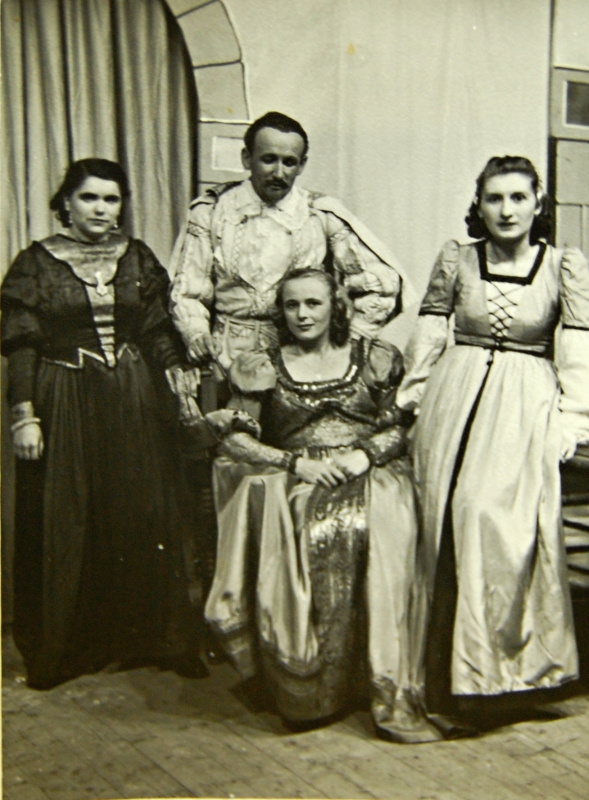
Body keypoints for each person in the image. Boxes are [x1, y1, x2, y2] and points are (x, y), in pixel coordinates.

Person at [168, 111, 416, 650]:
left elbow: (384, 283)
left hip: (299, 354)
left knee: (298, 488)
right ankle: (233, 619)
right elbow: (187, 289)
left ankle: (304, 618)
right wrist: (202, 340)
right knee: (230, 477)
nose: (278, 171)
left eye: (289, 161)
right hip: (229, 355)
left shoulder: (319, 214)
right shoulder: (212, 213)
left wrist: (348, 338)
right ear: (246, 159)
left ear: (302, 164)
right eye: (267, 159)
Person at [200, 268, 447, 743]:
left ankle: (382, 681)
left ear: (336, 306)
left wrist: (363, 456)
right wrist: (296, 463)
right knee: (308, 522)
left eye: (313, 303)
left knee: (382, 518)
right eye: (291, 305)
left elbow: (401, 426)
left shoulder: (374, 356)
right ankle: (315, 689)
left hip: (370, 467)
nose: (302, 314)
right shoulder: (262, 364)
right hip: (300, 473)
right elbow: (235, 439)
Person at [395, 155, 589, 724]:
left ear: (538, 203)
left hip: (522, 405)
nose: (506, 210)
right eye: (494, 198)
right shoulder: (457, 260)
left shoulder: (563, 267)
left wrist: (571, 422)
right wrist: (413, 400)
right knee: (439, 516)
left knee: (488, 515)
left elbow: (577, 355)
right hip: (454, 400)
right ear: (479, 205)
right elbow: (430, 335)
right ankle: (439, 679)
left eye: (518, 197)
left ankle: (497, 677)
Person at [1, 158, 204, 690]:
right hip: (65, 397)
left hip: (134, 396)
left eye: (111, 199)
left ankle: (156, 640)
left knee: (145, 510)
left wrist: (178, 376)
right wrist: (24, 416)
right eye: (89, 197)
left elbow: (157, 329)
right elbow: (21, 345)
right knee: (70, 514)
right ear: (66, 203)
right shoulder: (35, 264)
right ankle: (69, 648)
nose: (100, 209)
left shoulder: (136, 257)